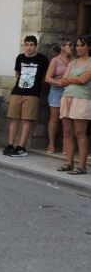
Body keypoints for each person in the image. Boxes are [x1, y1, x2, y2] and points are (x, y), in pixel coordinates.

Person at [2, 35, 49, 157]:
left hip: (32, 94)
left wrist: (37, 86)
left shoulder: (42, 59)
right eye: (26, 45)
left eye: (31, 45)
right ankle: (10, 144)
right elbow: (17, 73)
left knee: (27, 120)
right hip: (17, 92)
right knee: (14, 118)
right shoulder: (20, 58)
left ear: (36, 46)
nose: (29, 47)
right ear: (24, 46)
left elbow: (45, 76)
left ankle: (21, 147)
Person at [57, 35, 91, 175]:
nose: (78, 48)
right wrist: (73, 79)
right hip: (67, 97)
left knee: (80, 133)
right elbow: (62, 81)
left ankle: (82, 166)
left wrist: (70, 79)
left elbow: (84, 80)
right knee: (67, 132)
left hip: (82, 99)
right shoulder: (72, 63)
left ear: (89, 47)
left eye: (82, 45)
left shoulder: (90, 62)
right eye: (77, 45)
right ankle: (69, 163)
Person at [45, 41, 73, 154]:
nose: (72, 47)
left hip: (70, 91)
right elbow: (48, 78)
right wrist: (60, 83)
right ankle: (51, 144)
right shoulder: (55, 60)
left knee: (67, 119)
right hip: (56, 91)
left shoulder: (74, 60)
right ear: (62, 47)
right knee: (54, 118)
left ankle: (66, 145)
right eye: (69, 45)